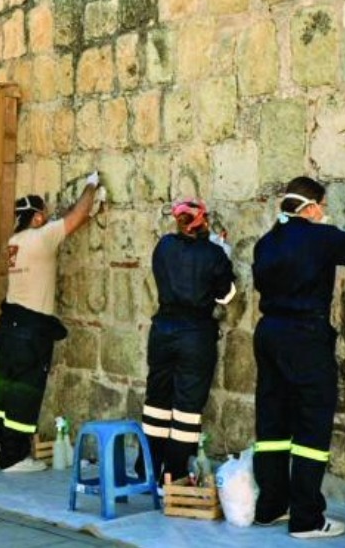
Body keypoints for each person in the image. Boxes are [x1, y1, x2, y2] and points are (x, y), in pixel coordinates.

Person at [251, 176, 345, 539]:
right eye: (322, 206)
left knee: (272, 423)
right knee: (311, 425)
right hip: (305, 336)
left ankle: (270, 508)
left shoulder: (266, 243)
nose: (324, 212)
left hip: (269, 334)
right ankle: (307, 520)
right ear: (312, 206)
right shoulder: (321, 236)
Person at [0, 173, 102, 473]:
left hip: (9, 327)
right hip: (31, 330)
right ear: (38, 217)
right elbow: (77, 215)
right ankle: (14, 456)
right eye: (44, 214)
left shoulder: (14, 242)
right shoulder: (41, 238)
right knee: (25, 392)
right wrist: (91, 186)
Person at [139, 199, 236, 484]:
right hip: (195, 334)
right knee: (186, 409)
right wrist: (224, 254)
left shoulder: (164, 246)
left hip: (163, 331)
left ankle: (148, 468)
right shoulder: (214, 254)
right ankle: (174, 474)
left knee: (156, 401)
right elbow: (226, 295)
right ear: (203, 221)